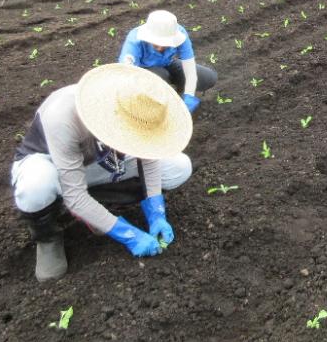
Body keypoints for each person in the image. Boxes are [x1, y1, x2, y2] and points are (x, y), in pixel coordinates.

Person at [10, 64, 194, 281]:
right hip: (53, 167)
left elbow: (149, 153)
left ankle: (93, 209)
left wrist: (156, 210)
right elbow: (74, 193)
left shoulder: (136, 106)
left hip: (96, 165)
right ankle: (48, 238)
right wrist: (128, 234)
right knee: (36, 186)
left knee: (178, 166)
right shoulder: (63, 115)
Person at [119, 10, 217, 113]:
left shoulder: (180, 33)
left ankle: (177, 93)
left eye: (165, 44)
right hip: (143, 72)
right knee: (160, 77)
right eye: (156, 44)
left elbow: (190, 70)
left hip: (167, 63)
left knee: (208, 77)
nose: (160, 47)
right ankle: (159, 97)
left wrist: (189, 95)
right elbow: (127, 73)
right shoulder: (135, 39)